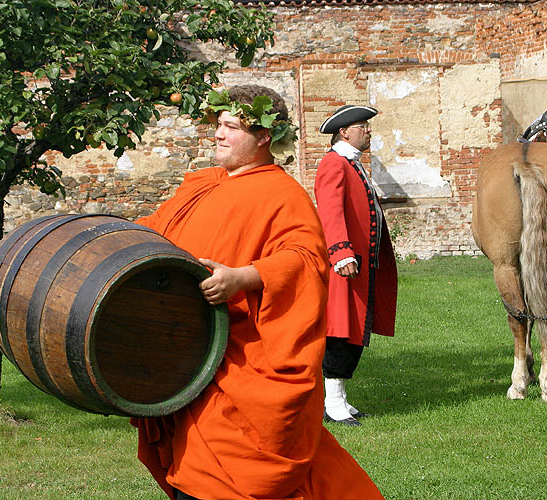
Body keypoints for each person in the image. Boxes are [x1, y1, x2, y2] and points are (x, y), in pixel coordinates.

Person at [131, 86, 385, 500]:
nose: (218, 134)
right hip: (185, 362)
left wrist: (244, 277)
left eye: (231, 126)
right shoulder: (200, 185)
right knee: (191, 471)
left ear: (264, 136)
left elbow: (305, 260)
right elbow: (151, 231)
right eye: (218, 125)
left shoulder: (283, 195)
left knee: (228, 480)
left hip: (240, 362)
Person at [314, 105, 398, 427]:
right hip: (345, 265)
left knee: (355, 332)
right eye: (363, 126)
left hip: (362, 265)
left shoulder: (352, 164)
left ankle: (341, 400)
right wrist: (341, 252)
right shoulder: (333, 164)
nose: (369, 131)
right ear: (345, 132)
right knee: (340, 332)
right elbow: (331, 211)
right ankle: (332, 403)